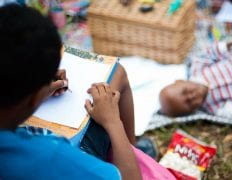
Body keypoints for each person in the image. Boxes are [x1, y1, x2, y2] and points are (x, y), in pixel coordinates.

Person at [0, 4, 142, 179]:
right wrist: (113, 122)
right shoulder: (51, 155)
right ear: (35, 98)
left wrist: (37, 87)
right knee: (117, 72)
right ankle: (134, 152)